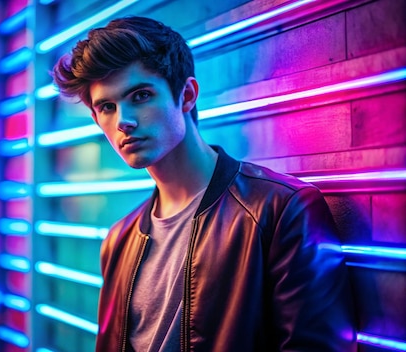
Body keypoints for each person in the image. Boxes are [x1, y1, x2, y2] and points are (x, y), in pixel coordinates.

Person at [52, 16, 356, 351]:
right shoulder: (119, 240)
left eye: (140, 95)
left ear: (186, 95)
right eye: (107, 107)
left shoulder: (279, 209)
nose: (123, 120)